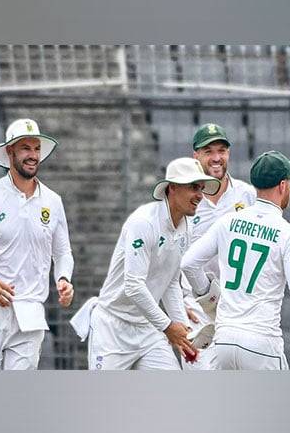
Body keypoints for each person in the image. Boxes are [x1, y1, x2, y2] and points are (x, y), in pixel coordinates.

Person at [71, 157, 220, 370]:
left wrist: (184, 333)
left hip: (148, 329)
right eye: (194, 187)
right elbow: (133, 286)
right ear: (173, 188)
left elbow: (170, 283)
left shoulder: (186, 227)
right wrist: (169, 327)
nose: (200, 195)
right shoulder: (144, 222)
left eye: (202, 188)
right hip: (112, 328)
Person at [181, 151, 290, 370]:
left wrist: (208, 296)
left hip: (224, 338)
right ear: (283, 186)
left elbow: (188, 263)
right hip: (262, 341)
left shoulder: (228, 221)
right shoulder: (288, 233)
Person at [0, 118, 74, 370]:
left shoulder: (53, 201)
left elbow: (62, 253)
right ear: (10, 152)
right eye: (26, 148)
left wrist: (63, 278)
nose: (33, 155)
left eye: (36, 149)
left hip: (31, 313)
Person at [181, 123, 256, 370]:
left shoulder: (247, 195)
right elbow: (172, 255)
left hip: (239, 307)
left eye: (222, 150)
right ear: (196, 156)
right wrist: (178, 301)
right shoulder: (185, 200)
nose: (216, 158)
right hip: (197, 309)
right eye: (208, 151)